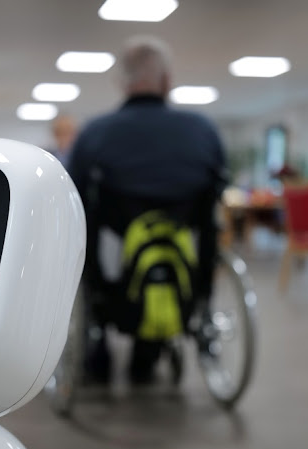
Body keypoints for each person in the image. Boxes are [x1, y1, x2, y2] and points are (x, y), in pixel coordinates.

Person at [67, 36, 228, 384]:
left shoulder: (95, 134)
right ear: (167, 80)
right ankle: (149, 349)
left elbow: (74, 200)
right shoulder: (203, 131)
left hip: (112, 271)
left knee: (93, 238)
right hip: (185, 262)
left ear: (121, 83)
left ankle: (99, 352)